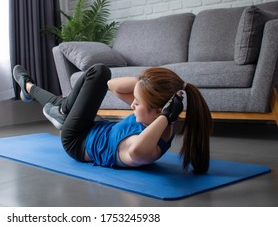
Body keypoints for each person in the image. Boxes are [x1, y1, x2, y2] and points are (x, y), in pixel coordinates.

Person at [13, 63, 212, 174]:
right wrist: (145, 84)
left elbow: (136, 150)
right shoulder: (155, 118)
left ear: (160, 112)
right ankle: (29, 88)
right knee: (99, 73)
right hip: (98, 127)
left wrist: (165, 116)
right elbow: (112, 85)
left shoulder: (146, 149)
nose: (132, 104)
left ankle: (59, 109)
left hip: (77, 140)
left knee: (95, 72)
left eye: (137, 102)